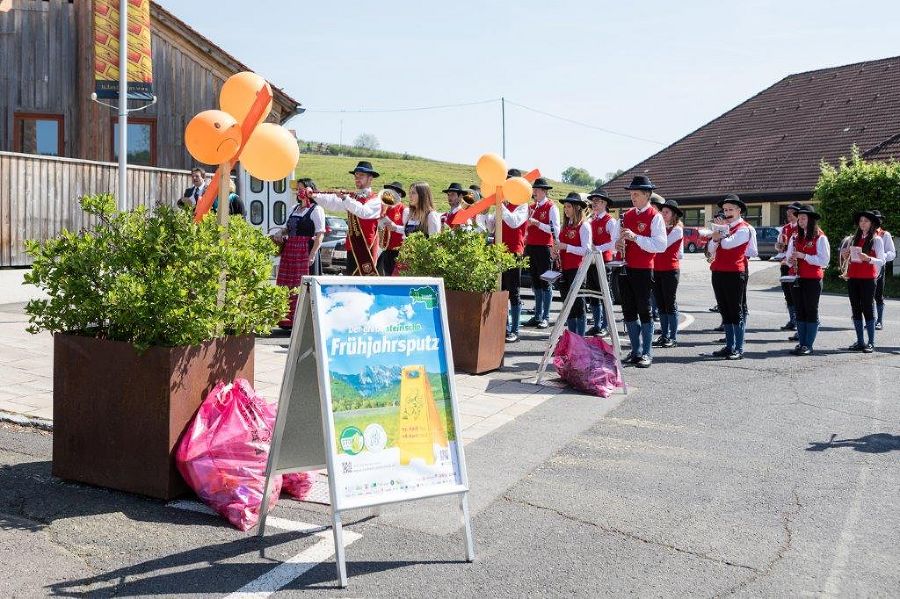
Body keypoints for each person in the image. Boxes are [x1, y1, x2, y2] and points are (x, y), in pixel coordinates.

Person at [616, 175, 666, 368]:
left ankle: (647, 352)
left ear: (647, 195)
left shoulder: (655, 217)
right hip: (626, 267)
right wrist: (619, 243)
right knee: (628, 310)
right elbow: (619, 240)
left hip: (644, 269)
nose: (633, 197)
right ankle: (635, 350)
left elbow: (660, 245)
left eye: (636, 194)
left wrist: (635, 238)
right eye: (631, 194)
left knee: (644, 311)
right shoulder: (627, 215)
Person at [309, 161, 382, 276]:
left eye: (361, 175)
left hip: (366, 248)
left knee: (365, 281)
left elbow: (364, 212)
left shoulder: (375, 200)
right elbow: (332, 203)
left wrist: (346, 199)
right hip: (352, 246)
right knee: (351, 281)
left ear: (370, 178)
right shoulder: (353, 198)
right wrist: (314, 195)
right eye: (356, 175)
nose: (357, 178)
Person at [272, 178, 325, 328]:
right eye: (298, 189)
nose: (299, 191)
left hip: (304, 251)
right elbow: (287, 228)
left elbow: (320, 234)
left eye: (302, 188)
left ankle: (302, 321)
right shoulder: (294, 208)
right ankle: (286, 319)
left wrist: (312, 254)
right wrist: (279, 232)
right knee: (286, 284)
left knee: (300, 285)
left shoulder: (316, 209)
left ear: (310, 191)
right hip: (290, 250)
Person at [483, 182, 530, 342]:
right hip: (498, 251)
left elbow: (514, 222)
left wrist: (499, 205)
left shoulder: (522, 205)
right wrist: (485, 213)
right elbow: (490, 227)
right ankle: (502, 326)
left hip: (513, 252)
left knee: (513, 291)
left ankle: (514, 330)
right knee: (499, 290)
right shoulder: (503, 205)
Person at [708, 194, 752, 359]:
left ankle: (738, 348)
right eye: (725, 210)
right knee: (724, 309)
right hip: (718, 271)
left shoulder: (744, 228)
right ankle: (729, 345)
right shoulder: (723, 228)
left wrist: (719, 234)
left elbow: (727, 244)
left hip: (735, 272)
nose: (727, 213)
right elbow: (711, 248)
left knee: (735, 310)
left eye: (730, 209)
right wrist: (717, 236)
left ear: (739, 210)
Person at [785, 205, 829, 355]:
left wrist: (804, 257)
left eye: (804, 218)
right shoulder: (795, 237)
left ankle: (808, 345)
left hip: (812, 279)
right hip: (797, 278)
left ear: (811, 220)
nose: (801, 221)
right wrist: (791, 259)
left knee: (811, 310)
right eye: (800, 218)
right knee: (800, 310)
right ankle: (802, 343)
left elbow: (824, 261)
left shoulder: (820, 237)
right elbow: (789, 260)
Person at [841, 210, 886, 352]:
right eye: (861, 221)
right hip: (853, 277)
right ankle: (860, 341)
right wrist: (845, 254)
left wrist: (868, 259)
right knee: (856, 309)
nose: (863, 223)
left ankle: (871, 342)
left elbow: (882, 260)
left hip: (868, 278)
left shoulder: (876, 239)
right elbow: (849, 258)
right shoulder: (853, 239)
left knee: (868, 308)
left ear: (872, 223)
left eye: (866, 221)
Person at [523, 177, 559, 329]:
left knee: (545, 283)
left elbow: (555, 229)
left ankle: (545, 316)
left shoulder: (552, 207)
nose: (534, 192)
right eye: (534, 190)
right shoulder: (531, 207)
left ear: (544, 191)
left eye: (536, 190)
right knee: (535, 283)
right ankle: (537, 315)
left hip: (544, 247)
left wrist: (538, 224)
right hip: (531, 247)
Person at [554, 193, 592, 335]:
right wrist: (555, 251)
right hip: (564, 268)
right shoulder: (565, 226)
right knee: (567, 305)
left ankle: (580, 339)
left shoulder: (584, 226)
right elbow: (562, 246)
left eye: (569, 206)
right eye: (565, 207)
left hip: (577, 269)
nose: (566, 209)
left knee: (578, 304)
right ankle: (572, 337)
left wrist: (566, 247)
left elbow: (586, 250)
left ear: (577, 208)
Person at [585, 188, 619, 336]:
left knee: (605, 293)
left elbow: (613, 243)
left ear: (605, 203)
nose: (594, 204)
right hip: (591, 261)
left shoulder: (610, 221)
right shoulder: (591, 220)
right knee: (593, 294)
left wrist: (597, 248)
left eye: (597, 201)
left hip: (604, 261)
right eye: (593, 201)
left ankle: (606, 325)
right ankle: (597, 324)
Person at [652, 199, 684, 348]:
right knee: (661, 304)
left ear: (673, 215)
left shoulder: (677, 229)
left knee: (670, 304)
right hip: (657, 269)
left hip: (670, 270)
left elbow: (662, 245)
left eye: (666, 212)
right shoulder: (661, 227)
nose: (663, 214)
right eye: (662, 212)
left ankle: (673, 336)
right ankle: (664, 335)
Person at [776, 202, 803, 332]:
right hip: (785, 263)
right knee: (787, 293)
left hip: (797, 265)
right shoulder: (784, 228)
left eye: (792, 213)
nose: (789, 216)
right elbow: (779, 246)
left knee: (796, 293)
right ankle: (792, 319)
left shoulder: (801, 228)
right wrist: (779, 246)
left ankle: (799, 320)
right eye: (788, 213)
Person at [871, 210, 895, 330]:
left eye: (878, 219)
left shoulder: (885, 234)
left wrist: (882, 256)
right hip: (866, 266)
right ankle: (870, 320)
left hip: (879, 266)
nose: (876, 221)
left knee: (878, 294)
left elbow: (892, 253)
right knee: (867, 295)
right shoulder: (865, 233)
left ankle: (879, 320)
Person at [376, 181, 407, 276]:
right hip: (386, 249)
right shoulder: (385, 208)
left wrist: (395, 227)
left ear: (399, 194)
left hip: (399, 251)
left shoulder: (404, 209)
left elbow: (408, 230)